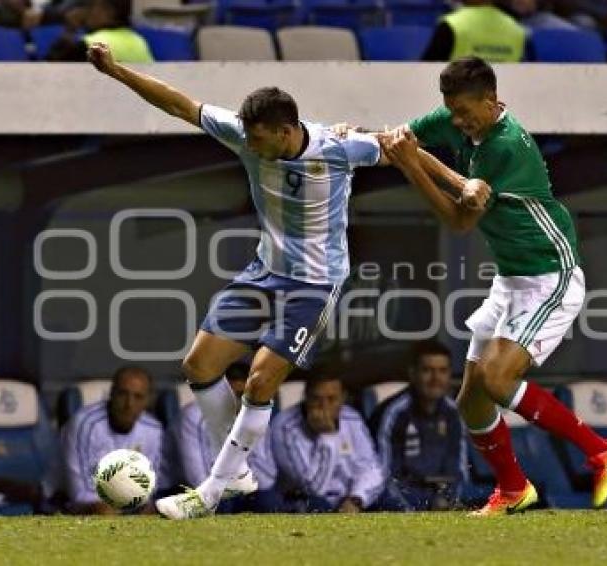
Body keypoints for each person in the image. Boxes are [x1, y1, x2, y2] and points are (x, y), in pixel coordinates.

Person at [87, 42, 385, 520]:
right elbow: (178, 103)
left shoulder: (338, 148)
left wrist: (462, 184)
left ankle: (211, 490)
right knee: (199, 365)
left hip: (313, 285)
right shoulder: (245, 135)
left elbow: (403, 146)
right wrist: (118, 72)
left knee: (260, 382)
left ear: (286, 132)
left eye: (259, 138)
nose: (249, 145)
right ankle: (238, 470)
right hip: (264, 272)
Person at [379, 57, 607, 516]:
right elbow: (402, 141)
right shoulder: (454, 116)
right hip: (511, 277)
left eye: (465, 112)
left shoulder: (506, 147)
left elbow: (458, 220)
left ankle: (602, 451)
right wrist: (357, 138)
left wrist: (412, 166)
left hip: (549, 274)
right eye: (450, 111)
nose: (456, 121)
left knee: (496, 380)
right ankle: (514, 489)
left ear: (491, 101)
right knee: (471, 400)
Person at [262, 374, 385, 513]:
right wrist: (327, 437)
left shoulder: (352, 418)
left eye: (331, 399)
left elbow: (371, 469)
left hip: (349, 497)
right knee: (319, 505)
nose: (324, 406)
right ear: (306, 397)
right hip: (302, 500)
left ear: (343, 398)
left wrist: (356, 499)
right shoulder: (284, 426)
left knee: (388, 496)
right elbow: (312, 488)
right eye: (316, 399)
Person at [58, 366, 171, 514]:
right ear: (111, 394)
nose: (129, 404)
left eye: (138, 397)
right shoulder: (84, 424)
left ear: (147, 401)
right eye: (123, 394)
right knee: (103, 511)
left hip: (124, 504)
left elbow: (148, 487)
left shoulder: (153, 430)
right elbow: (80, 494)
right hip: (64, 501)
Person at [369, 340, 466, 511]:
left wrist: (450, 503)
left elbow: (458, 471)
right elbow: (383, 478)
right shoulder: (394, 413)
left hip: (439, 498)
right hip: (402, 498)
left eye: (442, 371)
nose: (436, 379)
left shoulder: (453, 413)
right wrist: (411, 513)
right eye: (427, 371)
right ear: (412, 374)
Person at [175, 362, 275, 512]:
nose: (237, 403)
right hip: (200, 489)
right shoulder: (194, 417)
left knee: (269, 501)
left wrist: (244, 439)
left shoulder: (255, 415)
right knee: (220, 503)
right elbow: (197, 479)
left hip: (242, 487)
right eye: (232, 395)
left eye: (243, 395)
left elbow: (268, 479)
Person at [47, 0, 153, 62]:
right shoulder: (139, 41)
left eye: (91, 6)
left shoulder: (92, 45)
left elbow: (52, 67)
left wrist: (70, 29)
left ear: (108, 12)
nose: (87, 12)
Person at [422, 0, 526, 63]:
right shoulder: (517, 29)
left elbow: (426, 69)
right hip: (501, 96)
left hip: (460, 95)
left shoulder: (452, 24)